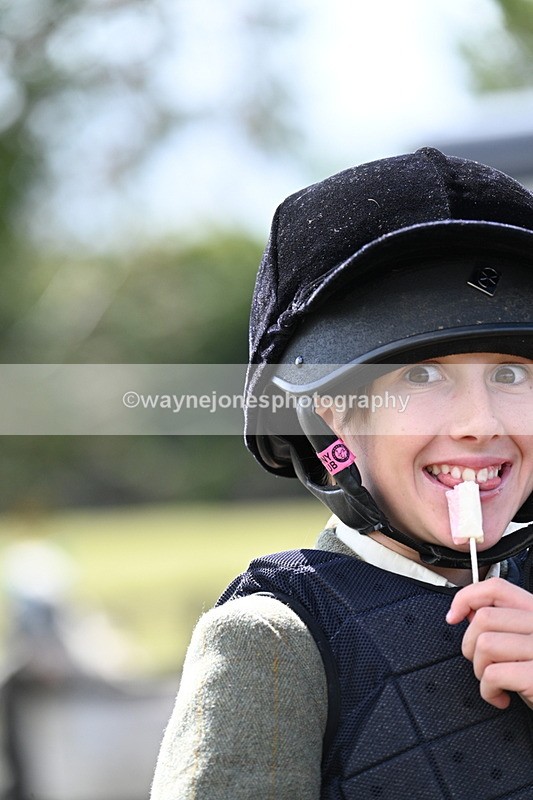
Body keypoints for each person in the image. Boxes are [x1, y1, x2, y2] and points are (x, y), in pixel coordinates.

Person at [151, 147, 533, 799]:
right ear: (331, 412)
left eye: (510, 374)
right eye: (420, 375)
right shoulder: (274, 638)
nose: (479, 422)